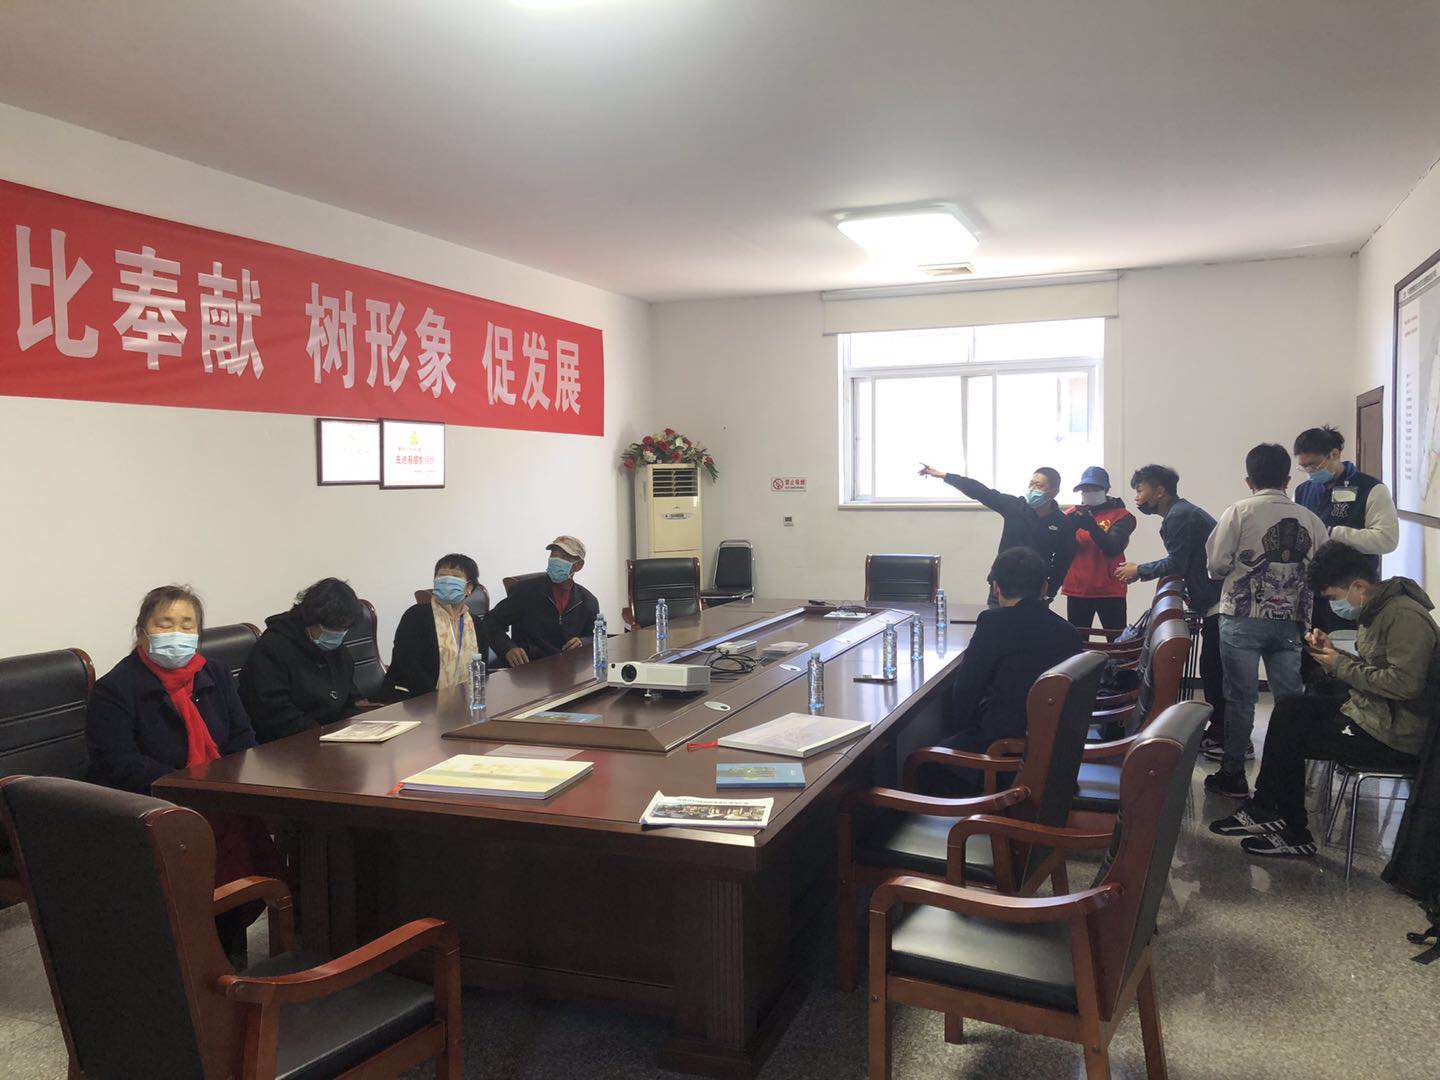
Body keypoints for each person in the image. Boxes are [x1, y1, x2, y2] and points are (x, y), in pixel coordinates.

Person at [86, 585, 279, 961]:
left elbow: (242, 737)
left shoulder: (214, 674)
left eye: (187, 624)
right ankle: (202, 952)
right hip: (152, 805)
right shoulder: (115, 689)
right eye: (165, 623)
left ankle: (230, 944)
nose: (177, 632)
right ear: (142, 631)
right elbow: (117, 763)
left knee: (246, 830)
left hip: (216, 795)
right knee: (218, 836)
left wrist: (220, 784)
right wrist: (192, 788)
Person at [1210, 541, 1437, 857]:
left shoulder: (1404, 617)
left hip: (1395, 735)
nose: (1334, 606)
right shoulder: (1379, 609)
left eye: (1332, 597)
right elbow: (1378, 669)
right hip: (1374, 712)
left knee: (1293, 734)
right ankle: (1266, 807)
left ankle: (1292, 828)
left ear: (1358, 586)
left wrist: (1340, 665)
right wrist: (1333, 654)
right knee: (1290, 709)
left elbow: (1406, 685)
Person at [1203, 444, 1328, 798]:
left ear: (1249, 480)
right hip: (1291, 620)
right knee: (1289, 700)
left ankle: (1233, 775)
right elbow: (1323, 568)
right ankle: (1286, 777)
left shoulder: (1238, 512)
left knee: (1240, 699)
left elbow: (1216, 565)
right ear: (1288, 480)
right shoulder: (1310, 519)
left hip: (1242, 617)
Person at [913, 547, 1084, 795]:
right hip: (1054, 762)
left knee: (919, 763)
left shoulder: (993, 623)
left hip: (1001, 758)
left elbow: (966, 691)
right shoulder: (1069, 632)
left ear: (996, 587)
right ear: (1044, 588)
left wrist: (953, 733)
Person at [1115, 464, 1228, 754]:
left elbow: (1177, 562)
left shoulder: (1180, 516)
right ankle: (1220, 732)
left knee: (1214, 670)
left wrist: (1139, 570)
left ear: (1160, 491)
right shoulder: (1180, 513)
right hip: (1213, 600)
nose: (1137, 498)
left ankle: (1224, 736)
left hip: (1220, 602)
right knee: (1212, 668)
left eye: (1140, 490)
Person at [918, 463, 1077, 601]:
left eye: (1039, 486)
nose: (1033, 489)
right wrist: (944, 476)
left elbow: (1063, 561)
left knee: (1029, 627)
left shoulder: (1062, 523)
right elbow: (980, 491)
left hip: (1034, 588)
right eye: (1031, 484)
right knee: (996, 624)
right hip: (1002, 584)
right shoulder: (1014, 507)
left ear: (1054, 491)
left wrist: (1050, 591)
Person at [240, 577, 363, 743]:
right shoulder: (271, 649)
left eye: (343, 629)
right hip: (286, 743)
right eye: (331, 628)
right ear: (310, 620)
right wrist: (322, 735)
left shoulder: (338, 651)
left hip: (331, 739)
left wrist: (356, 730)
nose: (337, 635)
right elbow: (274, 715)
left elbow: (348, 700)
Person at [484, 535, 600, 668]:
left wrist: (582, 641)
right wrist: (508, 648)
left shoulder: (588, 601)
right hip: (529, 667)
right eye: (553, 555)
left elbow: (594, 636)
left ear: (578, 566)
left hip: (567, 668)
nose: (556, 560)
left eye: (564, 557)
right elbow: (490, 622)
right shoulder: (525, 591)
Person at [382, 553, 485, 701]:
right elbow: (409, 664)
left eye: (455, 576)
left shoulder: (476, 623)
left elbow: (480, 668)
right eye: (442, 576)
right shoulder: (416, 616)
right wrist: (439, 701)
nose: (447, 581)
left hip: (464, 701)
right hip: (414, 700)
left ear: (469, 587)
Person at [1061, 465, 1136, 630]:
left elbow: (1113, 547)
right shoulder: (1070, 515)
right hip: (1077, 589)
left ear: (1105, 489)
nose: (1089, 493)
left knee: (1116, 640)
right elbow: (1060, 548)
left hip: (1110, 590)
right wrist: (1070, 528)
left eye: (1094, 488)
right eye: (1085, 489)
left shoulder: (1121, 516)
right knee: (1077, 640)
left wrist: (1092, 526)